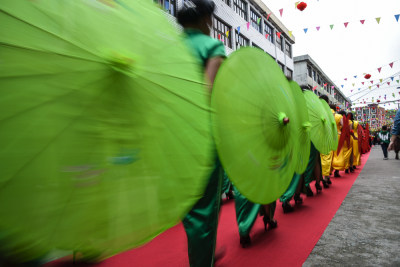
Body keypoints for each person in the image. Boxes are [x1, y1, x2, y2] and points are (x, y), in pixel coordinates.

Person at [177, 1, 226, 266]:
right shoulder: (212, 47)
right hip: (202, 134)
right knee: (205, 207)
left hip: (172, 134)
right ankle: (201, 258)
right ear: (206, 20)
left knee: (188, 205)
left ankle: (204, 250)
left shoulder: (170, 47)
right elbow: (208, 92)